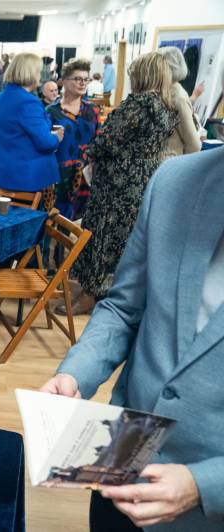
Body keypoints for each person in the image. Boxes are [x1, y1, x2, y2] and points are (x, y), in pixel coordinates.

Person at [40, 146, 224, 532]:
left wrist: (206, 484)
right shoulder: (174, 180)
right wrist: (76, 372)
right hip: (119, 459)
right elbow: (124, 308)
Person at [69, 52, 178, 315]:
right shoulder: (166, 104)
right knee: (124, 239)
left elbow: (108, 140)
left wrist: (91, 151)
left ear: (143, 75)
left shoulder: (139, 104)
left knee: (102, 235)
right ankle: (112, 293)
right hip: (143, 179)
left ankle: (91, 293)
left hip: (118, 183)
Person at [0, 53, 63, 197]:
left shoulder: (0, 97)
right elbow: (45, 143)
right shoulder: (28, 102)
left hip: (3, 173)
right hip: (27, 178)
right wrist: (57, 137)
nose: (40, 76)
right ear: (30, 73)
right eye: (38, 71)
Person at [47, 58, 100, 221]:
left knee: (81, 226)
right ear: (63, 81)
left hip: (86, 177)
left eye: (86, 79)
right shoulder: (51, 112)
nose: (83, 83)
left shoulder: (92, 110)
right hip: (59, 177)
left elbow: (99, 141)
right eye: (77, 78)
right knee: (55, 224)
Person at [156, 46, 202, 159]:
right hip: (167, 162)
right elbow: (194, 145)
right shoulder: (173, 93)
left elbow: (193, 145)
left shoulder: (173, 94)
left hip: (168, 162)